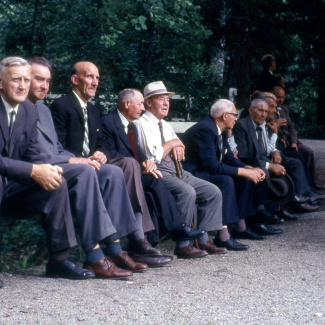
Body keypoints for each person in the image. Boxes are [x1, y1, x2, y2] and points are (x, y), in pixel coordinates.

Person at [27, 57, 153, 278]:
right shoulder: (53, 107)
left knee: (113, 172)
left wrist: (91, 157)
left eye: (47, 81)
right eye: (38, 79)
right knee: (86, 171)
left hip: (63, 162)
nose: (45, 86)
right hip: (40, 170)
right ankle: (94, 256)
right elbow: (35, 153)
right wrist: (73, 160)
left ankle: (114, 249)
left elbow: (56, 147)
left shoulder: (44, 110)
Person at [49, 61, 171, 267]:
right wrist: (81, 159)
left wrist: (102, 153)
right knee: (120, 170)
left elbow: (104, 143)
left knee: (120, 169)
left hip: (94, 165)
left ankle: (129, 243)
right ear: (74, 79)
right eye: (89, 77)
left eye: (97, 78)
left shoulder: (94, 111)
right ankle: (125, 244)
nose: (95, 82)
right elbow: (56, 146)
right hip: (73, 166)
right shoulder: (61, 106)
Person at [0, 56, 94, 280]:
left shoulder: (29, 112)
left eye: (26, 79)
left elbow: (33, 155)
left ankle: (59, 260)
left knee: (55, 181)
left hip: (11, 188)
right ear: (1, 83)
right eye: (16, 80)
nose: (23, 86)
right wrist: (33, 171)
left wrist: (47, 170)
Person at [100, 88, 205, 257]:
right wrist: (140, 162)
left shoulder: (131, 125)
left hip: (137, 170)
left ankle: (166, 235)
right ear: (127, 104)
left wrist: (145, 161)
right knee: (157, 183)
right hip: (121, 173)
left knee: (156, 179)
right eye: (140, 104)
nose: (142, 109)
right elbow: (109, 150)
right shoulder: (108, 122)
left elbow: (138, 151)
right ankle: (173, 231)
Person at [134, 81, 226, 256]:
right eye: (161, 99)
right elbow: (152, 157)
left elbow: (180, 147)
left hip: (178, 170)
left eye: (167, 99)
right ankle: (183, 244)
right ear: (148, 103)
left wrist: (177, 145)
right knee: (187, 192)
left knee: (212, 191)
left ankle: (203, 239)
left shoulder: (166, 125)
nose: (167, 103)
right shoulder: (141, 124)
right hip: (159, 171)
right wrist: (172, 143)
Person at [183, 98, 285, 241]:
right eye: (234, 115)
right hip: (192, 172)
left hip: (205, 169)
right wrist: (244, 171)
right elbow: (211, 165)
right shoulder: (205, 129)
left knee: (243, 177)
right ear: (225, 116)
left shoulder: (221, 129)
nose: (236, 118)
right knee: (226, 180)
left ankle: (240, 227)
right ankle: (223, 235)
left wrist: (248, 168)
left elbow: (228, 157)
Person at [233, 98, 319, 213]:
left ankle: (285, 205)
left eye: (265, 111)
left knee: (285, 164)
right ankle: (266, 210)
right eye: (260, 111)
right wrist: (271, 166)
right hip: (246, 163)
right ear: (250, 111)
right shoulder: (242, 125)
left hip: (259, 159)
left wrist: (274, 155)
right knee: (266, 170)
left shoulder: (261, 124)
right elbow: (244, 157)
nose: (263, 115)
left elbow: (264, 151)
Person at [272, 85, 324, 190]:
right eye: (278, 97)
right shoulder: (268, 111)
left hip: (290, 141)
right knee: (298, 156)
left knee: (308, 152)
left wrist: (293, 142)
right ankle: (305, 187)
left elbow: (291, 128)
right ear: (272, 96)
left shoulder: (284, 109)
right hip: (280, 144)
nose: (281, 100)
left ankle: (312, 183)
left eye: (283, 97)